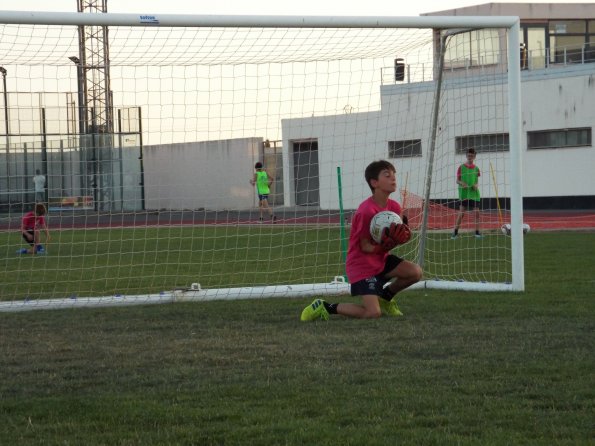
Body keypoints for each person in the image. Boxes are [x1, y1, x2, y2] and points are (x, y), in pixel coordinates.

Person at [301, 160, 422, 321]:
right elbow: (364, 246)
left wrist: (404, 237)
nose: (393, 179)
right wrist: (384, 246)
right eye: (387, 175)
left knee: (415, 272)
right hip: (362, 266)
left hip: (381, 260)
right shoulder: (365, 211)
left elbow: (398, 236)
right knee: (372, 313)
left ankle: (385, 298)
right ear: (374, 182)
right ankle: (325, 306)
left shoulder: (394, 207)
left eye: (394, 175)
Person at [452, 148, 482, 239]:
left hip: (474, 193)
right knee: (462, 213)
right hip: (464, 194)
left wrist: (476, 185)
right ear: (466, 156)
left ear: (474, 157)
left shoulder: (476, 168)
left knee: (477, 213)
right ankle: (455, 233)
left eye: (472, 156)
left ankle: (477, 233)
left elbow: (476, 182)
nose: (470, 157)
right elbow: (457, 180)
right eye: (469, 155)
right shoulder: (461, 167)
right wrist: (462, 183)